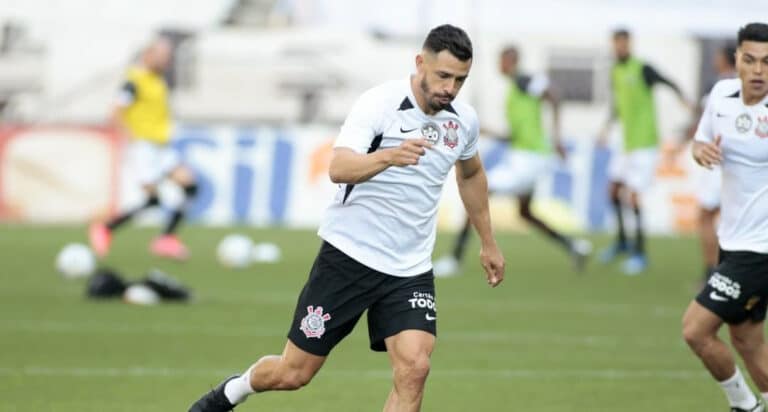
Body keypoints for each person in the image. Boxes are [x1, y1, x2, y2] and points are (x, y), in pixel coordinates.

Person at [188, 24, 505, 412]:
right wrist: (388, 156)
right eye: (443, 76)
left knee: (415, 368)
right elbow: (338, 167)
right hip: (349, 257)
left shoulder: (462, 121)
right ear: (420, 63)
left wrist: (488, 241)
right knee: (294, 373)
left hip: (409, 267)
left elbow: (470, 174)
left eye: (460, 80)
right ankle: (233, 391)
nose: (450, 89)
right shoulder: (379, 104)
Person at [433, 45, 591, 277]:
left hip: (530, 160)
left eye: (502, 60)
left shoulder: (523, 80)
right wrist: (488, 132)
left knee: (477, 194)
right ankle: (575, 247)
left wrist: (557, 138)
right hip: (526, 157)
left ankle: (455, 260)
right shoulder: (516, 90)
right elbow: (516, 135)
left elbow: (554, 95)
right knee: (525, 212)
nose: (500, 65)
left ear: (511, 61)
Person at [682, 22, 768, 412]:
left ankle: (744, 406)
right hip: (730, 241)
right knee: (748, 342)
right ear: (736, 59)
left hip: (760, 250)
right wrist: (700, 151)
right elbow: (701, 141)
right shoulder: (720, 94)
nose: (758, 70)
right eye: (750, 60)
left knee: (696, 330)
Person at [89, 38, 197, 260]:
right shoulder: (134, 81)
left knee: (190, 186)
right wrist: (131, 137)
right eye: (162, 56)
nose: (166, 60)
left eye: (168, 57)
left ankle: (166, 239)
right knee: (153, 200)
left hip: (161, 147)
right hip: (144, 147)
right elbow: (116, 111)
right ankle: (105, 228)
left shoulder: (158, 81)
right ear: (148, 55)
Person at [598, 28, 693, 275]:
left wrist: (682, 99)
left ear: (629, 44)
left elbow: (667, 81)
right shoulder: (615, 71)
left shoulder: (642, 68)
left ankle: (640, 254)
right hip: (626, 143)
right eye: (617, 43)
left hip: (645, 144)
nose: (620, 47)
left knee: (633, 197)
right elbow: (618, 105)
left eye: (624, 43)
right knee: (613, 191)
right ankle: (621, 242)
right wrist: (606, 128)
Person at [691, 44, 737, 282]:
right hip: (737, 165)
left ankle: (713, 271)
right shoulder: (748, 87)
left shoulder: (719, 88)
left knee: (706, 217)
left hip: (716, 161)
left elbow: (701, 126)